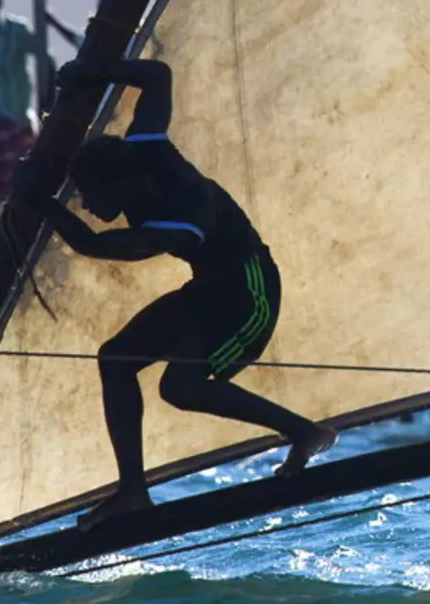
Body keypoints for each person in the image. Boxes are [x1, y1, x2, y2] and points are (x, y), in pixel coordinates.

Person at [19, 55, 335, 528]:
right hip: (209, 287)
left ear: (120, 185)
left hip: (250, 293)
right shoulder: (144, 142)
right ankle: (132, 493)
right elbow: (157, 75)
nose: (84, 204)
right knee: (116, 358)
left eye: (89, 194)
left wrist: (37, 199)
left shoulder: (181, 220)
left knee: (179, 386)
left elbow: (95, 244)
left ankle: (304, 432)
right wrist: (91, 70)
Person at [0, 0, 82, 225]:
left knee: (14, 175)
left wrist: (49, 96)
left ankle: (20, 225)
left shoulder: (16, 30)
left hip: (12, 113)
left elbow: (45, 57)